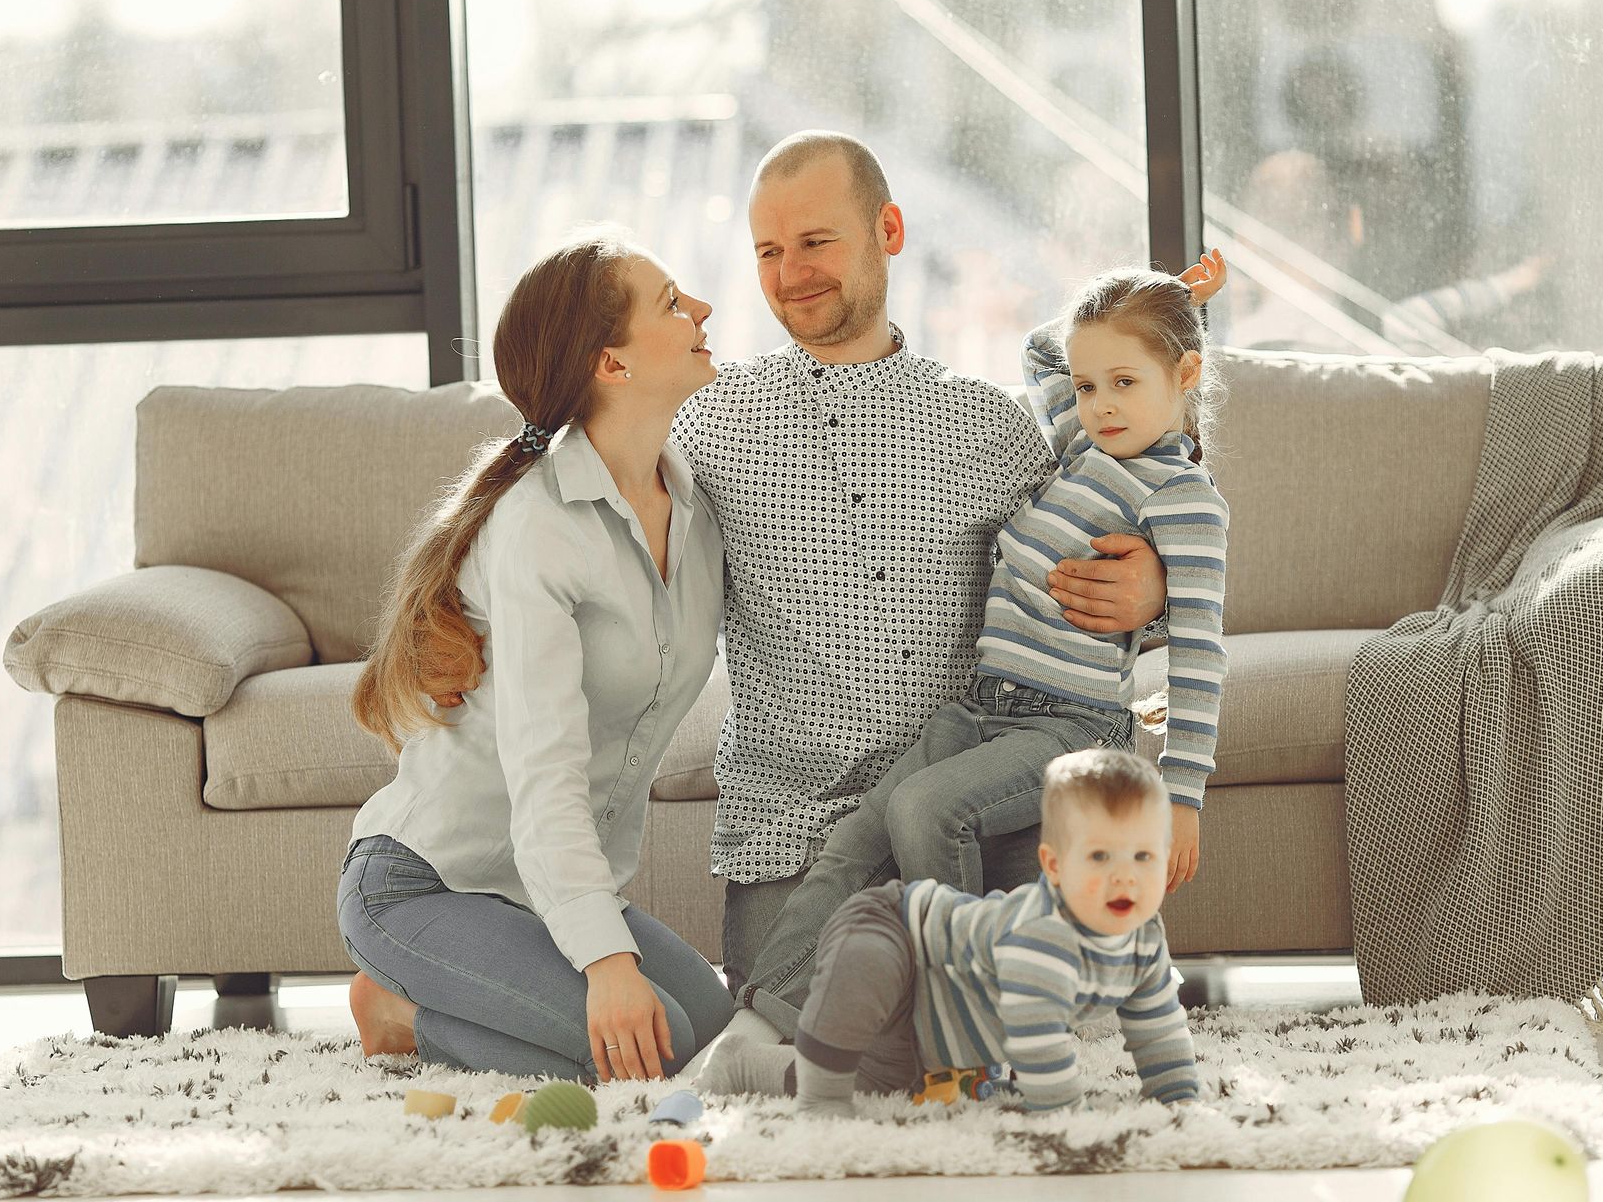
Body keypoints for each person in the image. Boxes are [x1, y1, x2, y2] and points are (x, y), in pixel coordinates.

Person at [668, 131, 1171, 995]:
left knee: (1037, 1012)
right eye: (769, 252)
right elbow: (580, 497)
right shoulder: (708, 426)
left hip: (971, 810)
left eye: (816, 242)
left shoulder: (989, 426)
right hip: (800, 832)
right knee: (808, 1034)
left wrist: (1150, 592)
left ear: (889, 230)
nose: (791, 274)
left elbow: (1096, 554)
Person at [733, 256, 1232, 1026]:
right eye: (1091, 385)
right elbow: (1042, 351)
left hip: (1071, 725)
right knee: (857, 836)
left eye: (1126, 382)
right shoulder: (1083, 451)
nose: (1100, 403)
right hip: (980, 710)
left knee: (927, 811)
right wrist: (1172, 296)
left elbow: (1200, 655)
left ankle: (978, 1031)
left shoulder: (1183, 495)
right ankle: (759, 1020)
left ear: (1186, 371)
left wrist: (1186, 798)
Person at [337, 230, 736, 1082]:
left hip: (535, 893)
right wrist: (606, 967)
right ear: (612, 365)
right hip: (425, 884)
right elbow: (546, 771)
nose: (701, 309)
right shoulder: (538, 524)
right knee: (646, 1051)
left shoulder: (698, 503)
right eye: (671, 302)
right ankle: (400, 1009)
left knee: (710, 1025)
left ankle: (457, 997)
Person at [697, 748, 1200, 1117]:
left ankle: (741, 1065)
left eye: (1143, 857)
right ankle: (820, 1100)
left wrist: (1178, 1103)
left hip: (931, 1029)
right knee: (851, 1019)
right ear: (1054, 866)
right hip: (895, 930)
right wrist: (1066, 1120)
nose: (1124, 877)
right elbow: (1037, 1044)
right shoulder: (1043, 934)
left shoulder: (1144, 939)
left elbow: (1158, 1026)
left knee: (877, 1083)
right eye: (1099, 858)